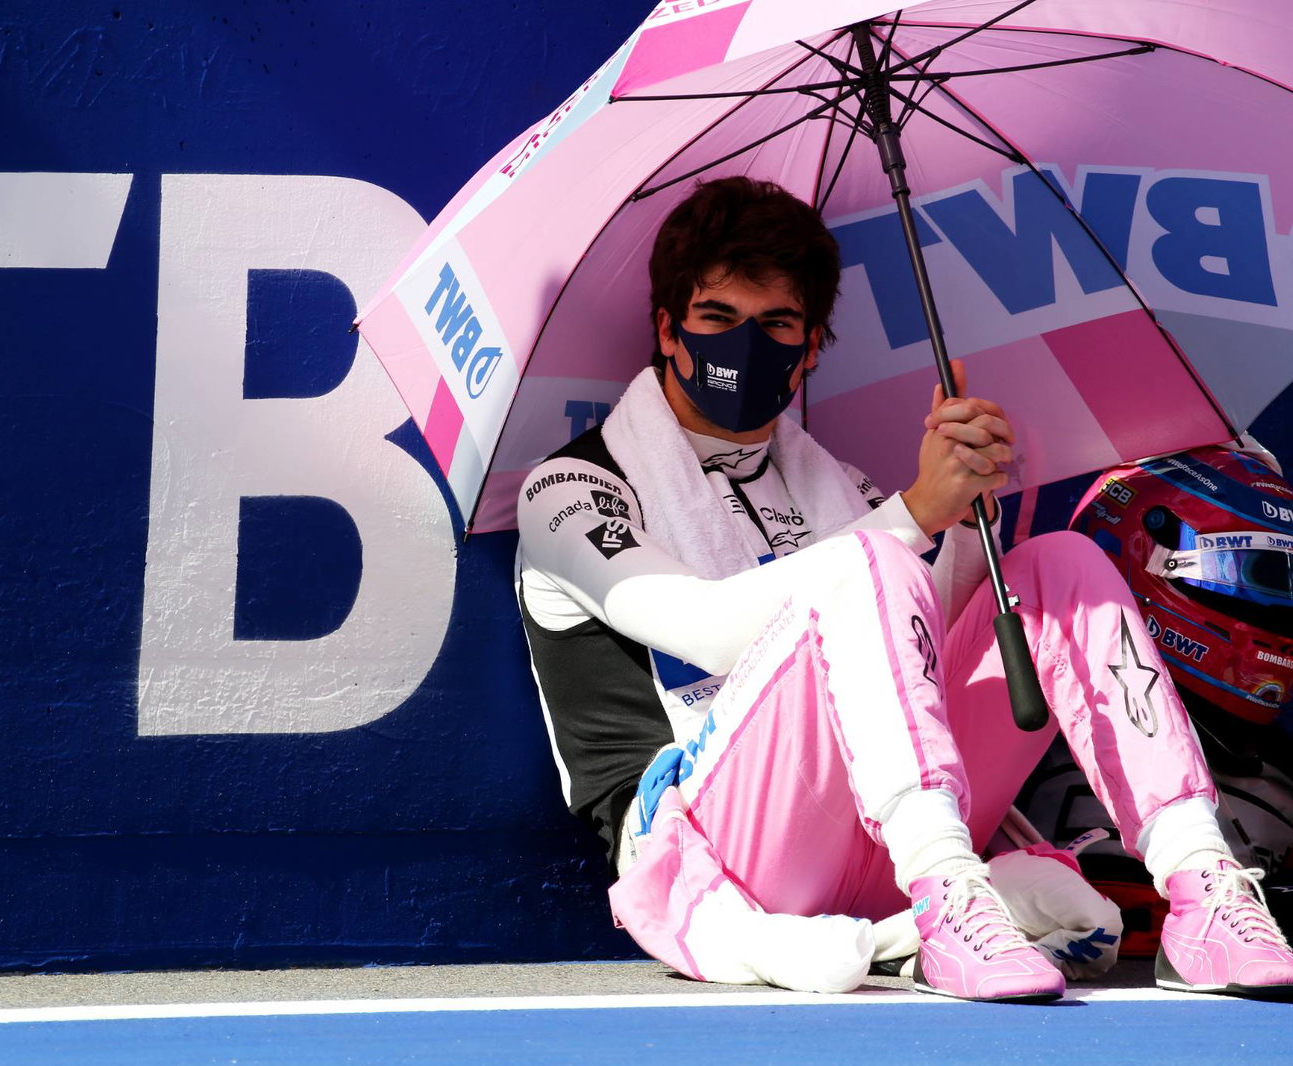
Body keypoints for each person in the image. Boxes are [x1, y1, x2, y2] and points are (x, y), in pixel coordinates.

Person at [513, 176, 1293, 1001]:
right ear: (669, 329)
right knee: (872, 561)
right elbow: (702, 630)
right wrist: (914, 513)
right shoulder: (568, 489)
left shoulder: (833, 486)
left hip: (866, 833)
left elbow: (919, 651)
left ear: (811, 347)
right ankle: (946, 893)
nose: (744, 343)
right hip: (713, 855)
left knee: (1059, 568)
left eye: (775, 324)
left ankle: (1202, 887)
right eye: (717, 317)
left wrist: (967, 513)